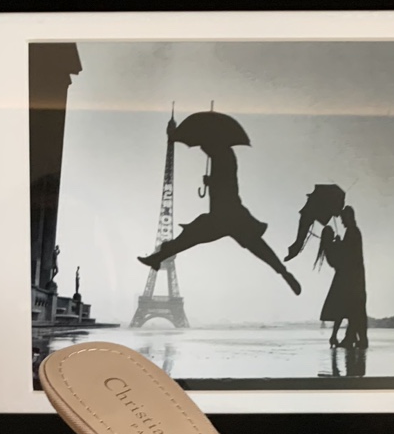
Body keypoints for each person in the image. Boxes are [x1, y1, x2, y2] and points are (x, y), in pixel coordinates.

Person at [138, 140, 301, 296]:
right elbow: (227, 181)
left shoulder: (222, 157)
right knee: (256, 246)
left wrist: (211, 181)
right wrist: (211, 181)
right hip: (226, 215)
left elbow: (227, 183)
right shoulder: (222, 157)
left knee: (192, 236)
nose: (202, 148)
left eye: (204, 145)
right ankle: (284, 273)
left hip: (226, 215)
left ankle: (158, 257)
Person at [318, 206, 367, 348]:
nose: (342, 222)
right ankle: (353, 338)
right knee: (354, 308)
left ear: (349, 217)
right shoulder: (353, 232)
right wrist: (339, 244)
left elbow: (347, 255)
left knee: (348, 307)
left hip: (350, 277)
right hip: (354, 277)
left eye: (343, 218)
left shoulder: (352, 232)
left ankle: (349, 338)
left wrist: (338, 244)